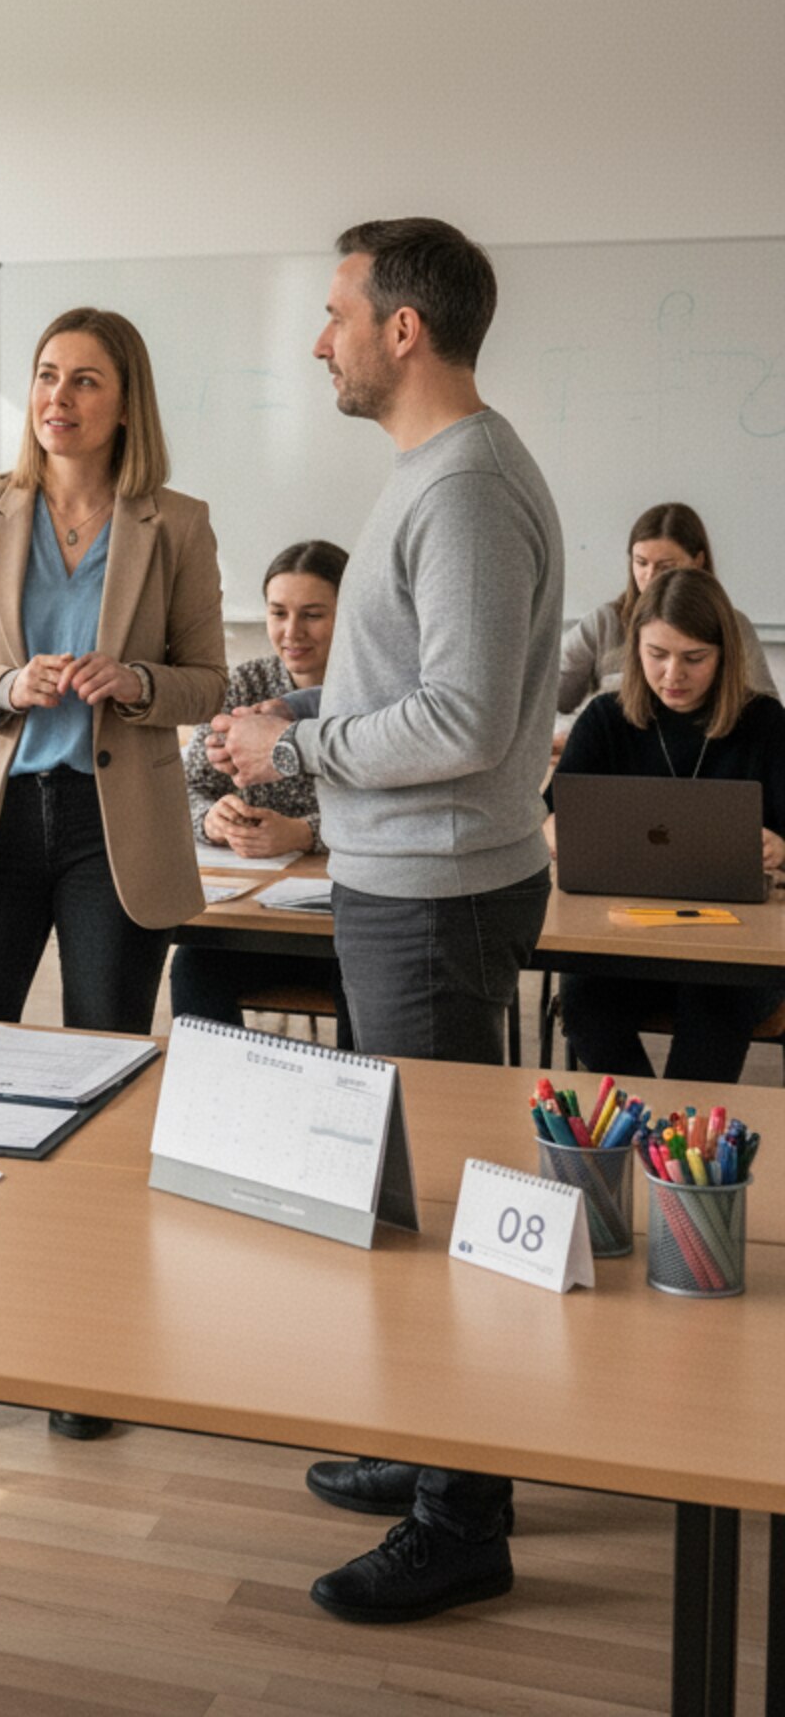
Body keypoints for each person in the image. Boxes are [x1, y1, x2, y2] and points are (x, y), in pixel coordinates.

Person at [210, 218, 561, 1624]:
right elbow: (407, 682)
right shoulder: (437, 474)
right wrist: (288, 718)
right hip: (402, 882)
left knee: (441, 1216)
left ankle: (462, 1514)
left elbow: (467, 722)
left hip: (433, 892)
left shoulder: (465, 486)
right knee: (405, 1191)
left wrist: (295, 755)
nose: (321, 339)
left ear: (403, 328)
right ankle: (433, 1450)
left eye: (339, 312)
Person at [0, 305, 226, 1453]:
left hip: (108, 830)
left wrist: (131, 679)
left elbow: (209, 683)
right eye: (42, 376)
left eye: (82, 380)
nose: (56, 398)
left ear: (124, 402)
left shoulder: (174, 523)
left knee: (101, 1083)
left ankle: (85, 1351)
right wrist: (3, 684)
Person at [552, 567, 785, 1081]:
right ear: (635, 649)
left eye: (693, 658)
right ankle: (650, 1124)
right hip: (623, 939)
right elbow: (552, 823)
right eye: (656, 655)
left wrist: (779, 847)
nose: (672, 674)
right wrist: (569, 836)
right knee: (586, 1008)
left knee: (714, 1014)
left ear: (724, 654)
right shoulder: (606, 720)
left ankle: (680, 1136)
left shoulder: (765, 724)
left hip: (734, 948)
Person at [169, 539, 350, 1039]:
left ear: (350, 612)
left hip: (350, 927)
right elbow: (185, 792)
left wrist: (303, 833)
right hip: (258, 916)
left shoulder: (370, 692)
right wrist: (209, 819)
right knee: (193, 966)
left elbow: (390, 808)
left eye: (313, 614)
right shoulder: (242, 686)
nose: (292, 633)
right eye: (278, 613)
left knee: (364, 986)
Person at [557, 502, 776, 714]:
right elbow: (545, 698)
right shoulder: (604, 622)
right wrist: (578, 732)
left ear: (697, 561)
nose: (650, 576)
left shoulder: (732, 625)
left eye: (666, 566)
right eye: (641, 562)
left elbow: (765, 713)